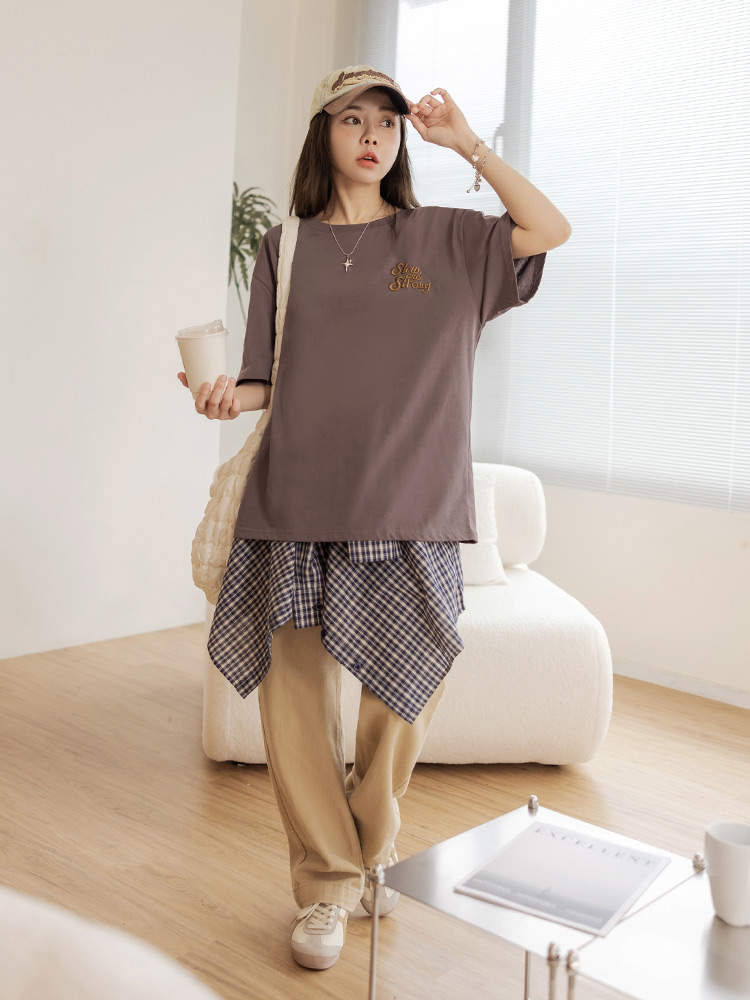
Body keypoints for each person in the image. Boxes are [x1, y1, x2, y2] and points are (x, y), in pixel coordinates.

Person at [178, 64, 569, 972]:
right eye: (352, 119)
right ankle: (327, 886)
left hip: (411, 504)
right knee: (295, 705)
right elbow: (264, 381)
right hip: (295, 499)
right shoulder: (285, 247)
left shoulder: (446, 239)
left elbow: (549, 229)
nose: (371, 136)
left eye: (386, 123)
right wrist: (220, 395)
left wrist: (465, 144)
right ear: (323, 134)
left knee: (405, 697)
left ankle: (367, 847)